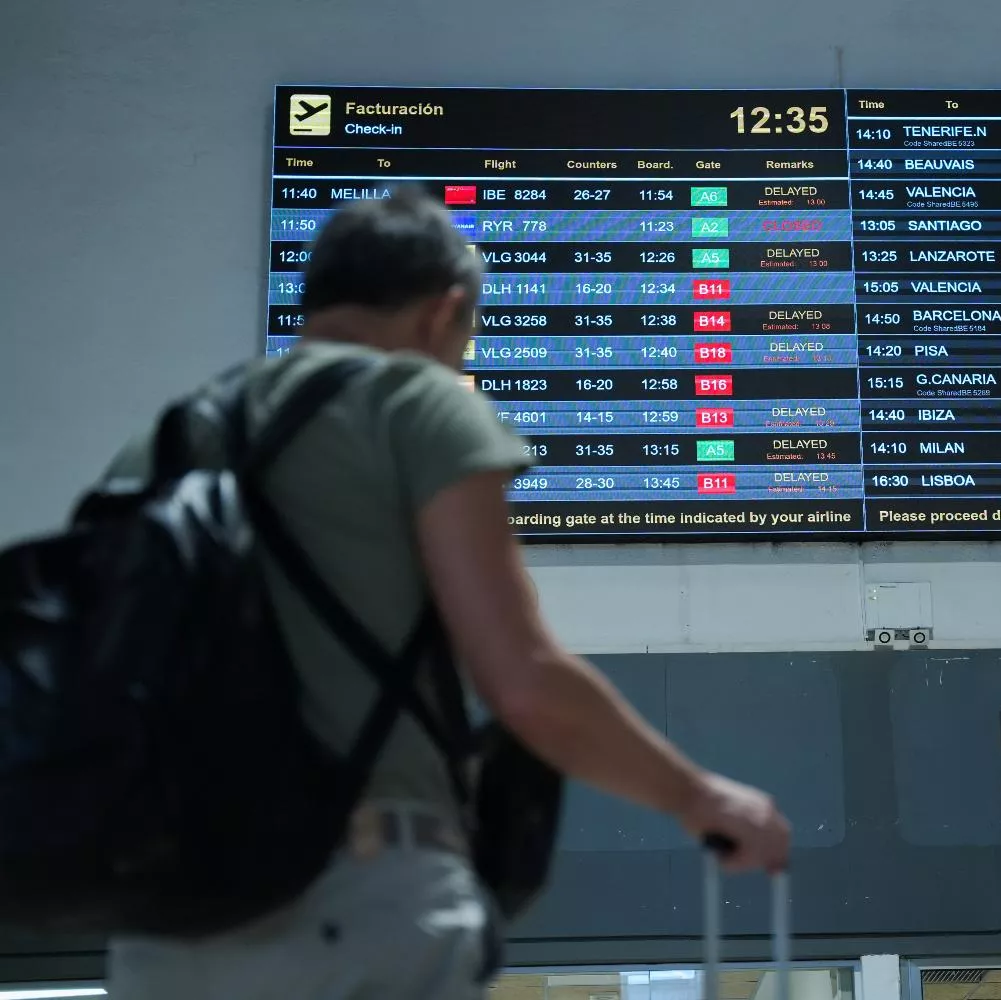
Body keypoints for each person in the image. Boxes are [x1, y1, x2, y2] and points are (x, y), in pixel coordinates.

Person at [104, 186, 791, 999]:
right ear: (444, 311)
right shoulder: (413, 402)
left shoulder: (169, 436)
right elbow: (524, 681)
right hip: (355, 900)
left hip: (164, 913)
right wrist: (700, 797)